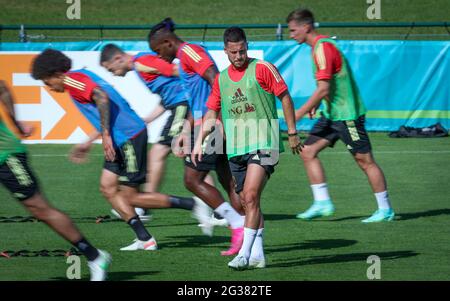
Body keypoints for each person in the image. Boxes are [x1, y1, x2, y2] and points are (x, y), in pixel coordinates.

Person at [31, 49, 212, 252]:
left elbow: (102, 98)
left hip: (129, 138)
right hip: (122, 138)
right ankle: (145, 238)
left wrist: (106, 135)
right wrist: (89, 141)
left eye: (46, 82)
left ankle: (193, 204)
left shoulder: (73, 81)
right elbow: (105, 104)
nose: (49, 87)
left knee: (130, 197)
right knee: (107, 188)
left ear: (56, 74)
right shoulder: (83, 76)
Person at [192, 27, 302, 270]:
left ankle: (244, 254)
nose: (239, 56)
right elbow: (211, 111)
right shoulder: (221, 79)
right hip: (237, 148)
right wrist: (200, 141)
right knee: (245, 202)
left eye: (242, 50)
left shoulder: (263, 68)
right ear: (225, 51)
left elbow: (284, 97)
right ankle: (259, 255)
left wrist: (292, 132)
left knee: (251, 196)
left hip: (265, 141)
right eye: (233, 52)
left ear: (247, 47)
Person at [149, 18, 247, 256]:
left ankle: (238, 224)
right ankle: (247, 235)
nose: (159, 57)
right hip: (210, 123)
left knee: (192, 179)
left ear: (167, 42)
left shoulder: (190, 52)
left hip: (214, 125)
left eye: (157, 51)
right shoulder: (185, 58)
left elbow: (216, 80)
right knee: (228, 181)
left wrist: (216, 122)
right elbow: (199, 99)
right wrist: (185, 130)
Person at [287, 8, 395, 223]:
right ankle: (322, 202)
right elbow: (327, 88)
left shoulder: (322, 49)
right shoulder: (319, 47)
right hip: (332, 113)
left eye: (293, 30)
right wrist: (318, 104)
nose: (291, 35)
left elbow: (324, 88)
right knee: (307, 152)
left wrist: (298, 112)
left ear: (306, 27)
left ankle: (385, 209)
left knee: (364, 161)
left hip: (347, 115)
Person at [99, 44, 222, 226]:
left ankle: (144, 206)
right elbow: (169, 95)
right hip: (181, 106)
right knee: (193, 161)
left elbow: (177, 71)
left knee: (158, 154)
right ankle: (219, 210)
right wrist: (149, 118)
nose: (112, 73)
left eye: (111, 69)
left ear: (118, 59)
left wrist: (200, 96)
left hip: (184, 107)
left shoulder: (141, 62)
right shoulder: (140, 65)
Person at [0, 80, 110, 281]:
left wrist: (15, 122)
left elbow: (2, 88)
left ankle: (94, 256)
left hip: (6, 157)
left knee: (39, 208)